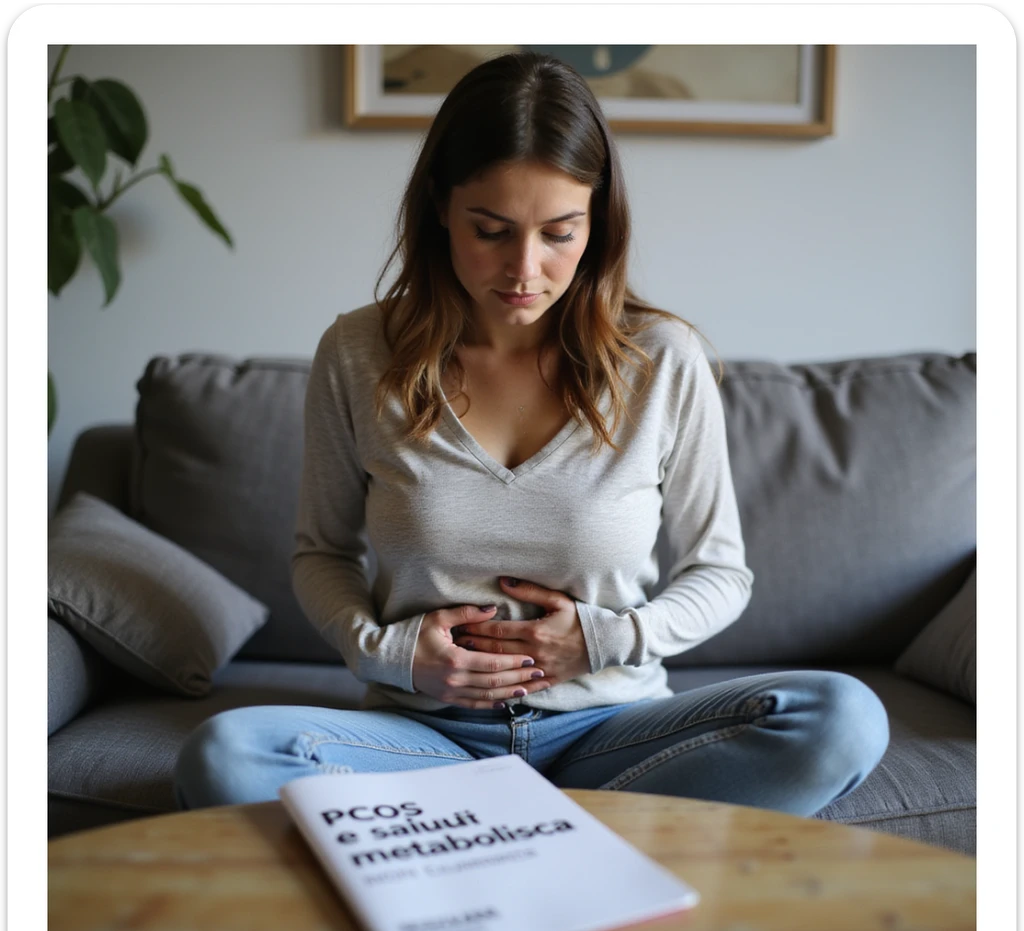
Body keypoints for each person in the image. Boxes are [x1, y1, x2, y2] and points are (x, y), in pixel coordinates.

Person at [174, 52, 888, 816]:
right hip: (423, 740)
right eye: (491, 230)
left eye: (559, 233)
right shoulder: (357, 352)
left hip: (613, 731)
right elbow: (322, 552)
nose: (525, 268)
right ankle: (580, 835)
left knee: (841, 718)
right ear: (441, 209)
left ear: (597, 221)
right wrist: (390, 655)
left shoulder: (663, 360)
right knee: (226, 754)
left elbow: (722, 574)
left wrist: (605, 641)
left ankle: (490, 835)